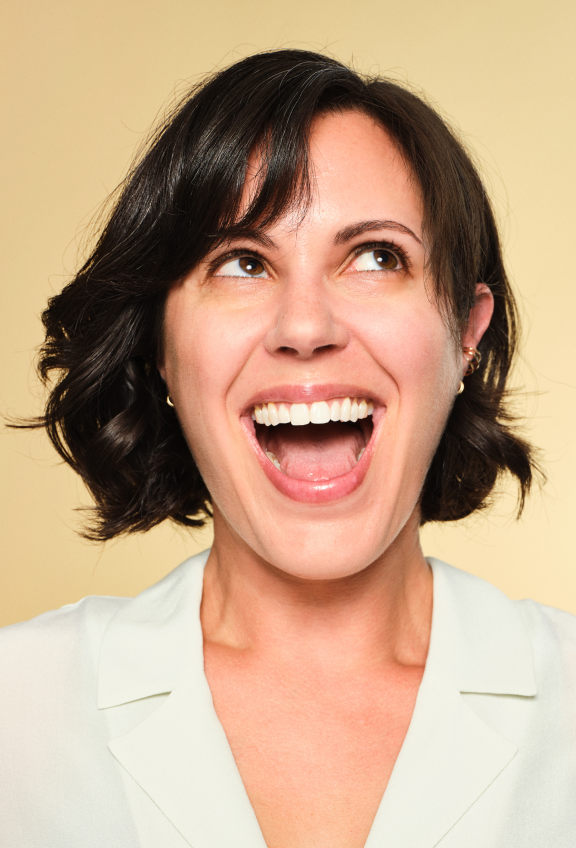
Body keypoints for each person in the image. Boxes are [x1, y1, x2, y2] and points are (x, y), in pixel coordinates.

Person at [1, 48, 575, 848]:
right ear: (162, 347)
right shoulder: (16, 711)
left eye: (376, 257)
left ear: (466, 333)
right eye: (242, 263)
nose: (305, 328)